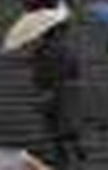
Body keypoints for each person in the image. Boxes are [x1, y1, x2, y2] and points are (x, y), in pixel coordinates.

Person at [30, 25, 86, 168]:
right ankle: (77, 146)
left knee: (53, 124)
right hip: (68, 90)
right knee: (68, 122)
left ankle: (63, 156)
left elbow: (39, 73)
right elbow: (76, 70)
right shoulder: (69, 49)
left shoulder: (43, 51)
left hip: (51, 90)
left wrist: (41, 88)